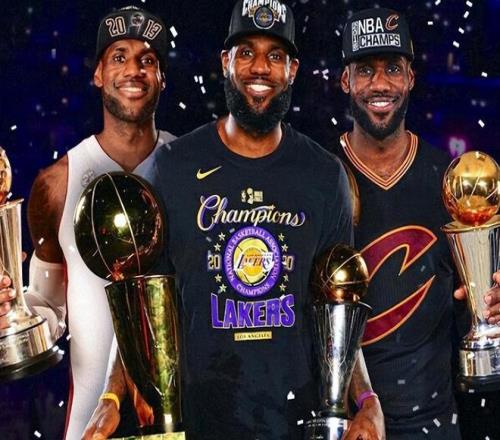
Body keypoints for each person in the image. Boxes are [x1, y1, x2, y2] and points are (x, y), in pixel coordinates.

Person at [82, 1, 385, 440]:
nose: (259, 67)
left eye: (275, 55)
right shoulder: (170, 168)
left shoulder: (324, 176)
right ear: (225, 62)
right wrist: (110, 398)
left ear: (292, 70)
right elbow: (140, 305)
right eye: (246, 52)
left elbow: (340, 308)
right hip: (198, 426)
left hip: (297, 427)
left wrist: (368, 400)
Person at [0, 5, 175, 439]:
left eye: (147, 59)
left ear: (161, 77)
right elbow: (49, 307)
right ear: (98, 74)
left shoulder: (194, 171)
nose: (133, 70)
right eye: (119, 57)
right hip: (90, 425)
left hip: (181, 419)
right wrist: (11, 313)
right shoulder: (57, 184)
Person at [334, 7, 500, 439]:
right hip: (347, 424)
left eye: (392, 68)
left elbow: (473, 303)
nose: (380, 84)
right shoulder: (320, 178)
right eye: (365, 70)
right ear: (345, 80)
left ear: (410, 78)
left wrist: (490, 303)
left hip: (436, 421)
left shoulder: (449, 182)